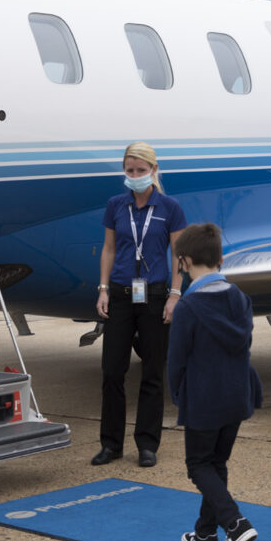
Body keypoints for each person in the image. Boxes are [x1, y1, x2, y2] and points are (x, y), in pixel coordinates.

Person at [167, 223, 262, 541]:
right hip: (237, 395)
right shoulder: (240, 299)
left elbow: (176, 360)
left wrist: (178, 394)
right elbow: (245, 345)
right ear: (221, 259)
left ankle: (235, 524)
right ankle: (205, 534)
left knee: (198, 465)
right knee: (215, 462)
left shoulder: (189, 308)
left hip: (205, 399)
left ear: (184, 261)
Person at [92, 141, 186, 468]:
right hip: (120, 294)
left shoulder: (170, 208)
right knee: (112, 371)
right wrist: (103, 289)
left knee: (152, 373)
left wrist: (176, 294)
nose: (134, 176)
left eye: (140, 171)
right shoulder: (115, 205)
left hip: (156, 295)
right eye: (129, 171)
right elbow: (108, 249)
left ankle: (147, 443)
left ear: (153, 171)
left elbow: (179, 255)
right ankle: (111, 444)